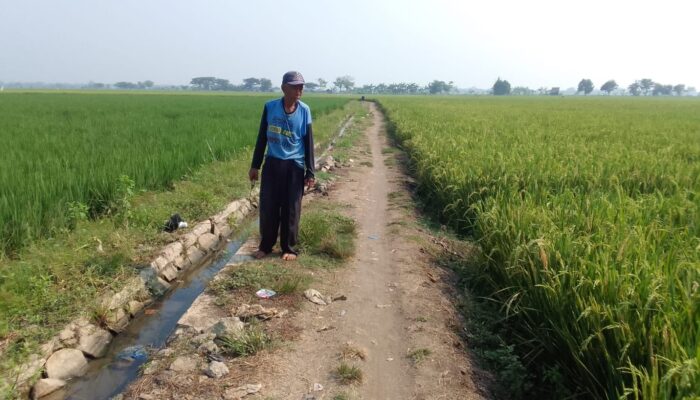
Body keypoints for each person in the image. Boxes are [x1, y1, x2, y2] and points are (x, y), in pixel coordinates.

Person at [249, 71, 315, 261]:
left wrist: (310, 172)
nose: (299, 89)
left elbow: (308, 142)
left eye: (301, 86)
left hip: (294, 165)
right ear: (284, 88)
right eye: (295, 86)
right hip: (272, 163)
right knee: (268, 207)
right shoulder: (270, 107)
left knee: (291, 208)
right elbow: (262, 137)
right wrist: (255, 165)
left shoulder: (304, 110)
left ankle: (289, 248)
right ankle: (266, 246)